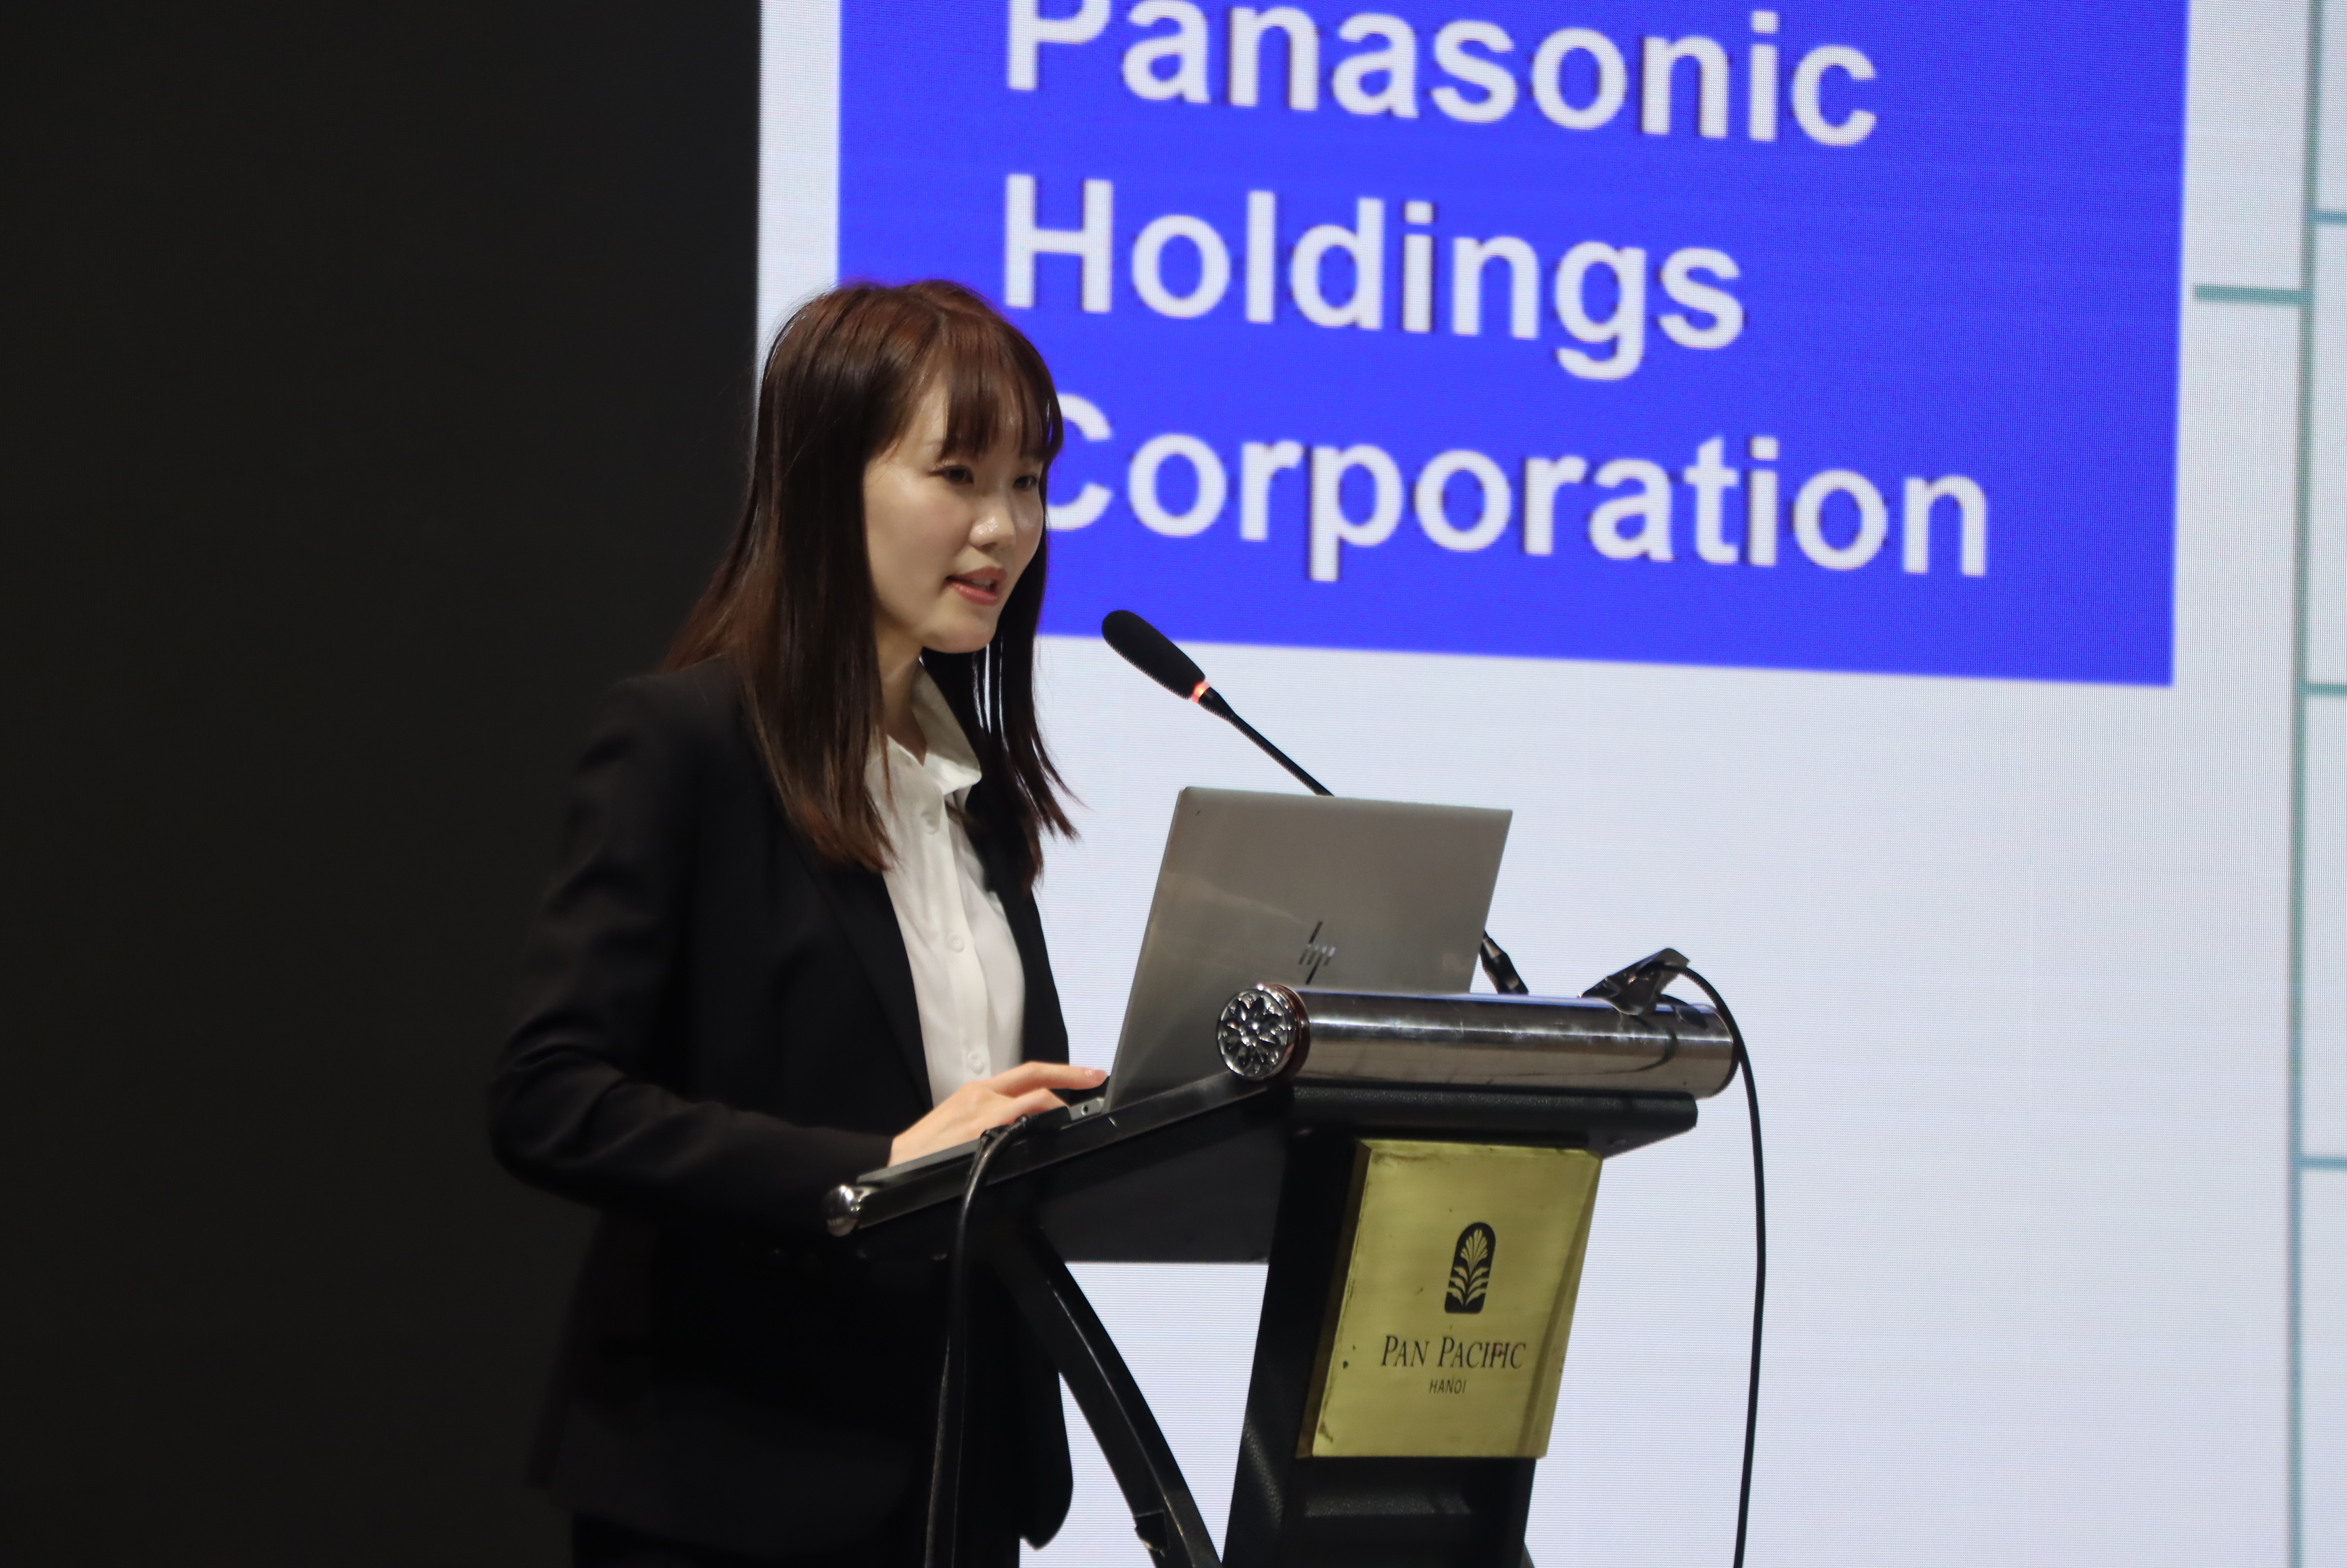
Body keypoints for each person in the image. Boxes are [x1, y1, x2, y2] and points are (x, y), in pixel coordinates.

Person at [489, 280, 1105, 1568]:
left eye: (1030, 483)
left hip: (956, 1479)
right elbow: (551, 1097)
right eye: (957, 475)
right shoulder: (684, 745)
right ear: (827, 481)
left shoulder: (973, 789)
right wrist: (873, 1169)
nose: (1004, 527)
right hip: (732, 1482)